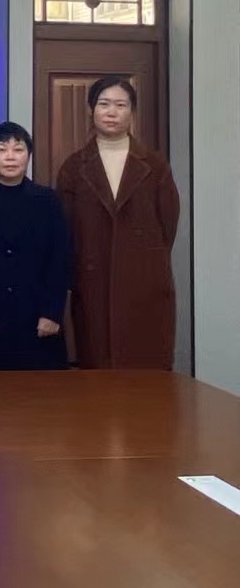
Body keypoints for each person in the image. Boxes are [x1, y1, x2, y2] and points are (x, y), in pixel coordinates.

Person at [55, 76, 180, 369]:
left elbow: (168, 224)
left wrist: (146, 259)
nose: (112, 112)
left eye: (121, 105)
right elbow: (65, 228)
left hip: (144, 280)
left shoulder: (155, 165)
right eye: (104, 104)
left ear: (132, 112)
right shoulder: (73, 167)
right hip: (92, 279)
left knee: (146, 367)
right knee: (97, 366)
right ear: (91, 110)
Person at [0, 122, 70, 371]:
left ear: (28, 155)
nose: (10, 157)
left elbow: (59, 259)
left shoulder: (47, 200)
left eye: (18, 150)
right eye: (1, 149)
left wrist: (52, 312)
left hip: (36, 316)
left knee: (40, 391)